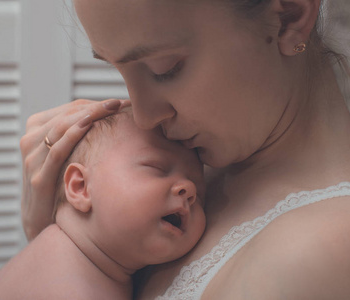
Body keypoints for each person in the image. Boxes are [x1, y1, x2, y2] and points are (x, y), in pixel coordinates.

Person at [20, 0, 350, 298]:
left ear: (289, 15)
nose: (144, 117)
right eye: (117, 69)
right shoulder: (179, 157)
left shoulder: (321, 249)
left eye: (164, 68)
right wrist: (63, 246)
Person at [0, 109, 206, 300]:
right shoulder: (69, 286)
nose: (189, 189)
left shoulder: (87, 259)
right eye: (157, 168)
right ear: (80, 187)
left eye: (199, 189)